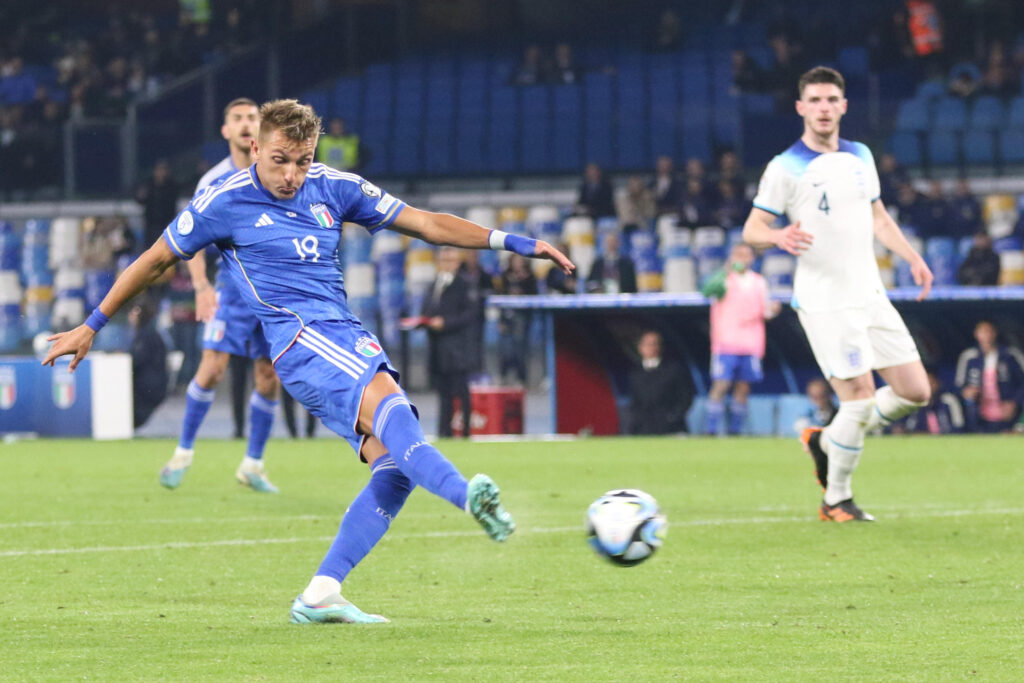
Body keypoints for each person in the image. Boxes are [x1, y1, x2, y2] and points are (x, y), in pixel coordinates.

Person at [44, 99, 573, 624]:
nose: (293, 174)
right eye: (280, 160)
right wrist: (92, 324)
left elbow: (426, 223)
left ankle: (321, 592)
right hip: (301, 339)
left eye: (302, 160)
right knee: (397, 411)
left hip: (342, 333)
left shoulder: (335, 185)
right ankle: (467, 495)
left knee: (393, 466)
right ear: (255, 148)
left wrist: (514, 242)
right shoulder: (222, 201)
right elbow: (156, 258)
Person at [742, 66, 934, 523]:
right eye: (816, 100)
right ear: (801, 108)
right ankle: (836, 499)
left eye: (832, 100)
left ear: (844, 106)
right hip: (825, 299)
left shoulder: (861, 155)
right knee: (859, 399)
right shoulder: (784, 167)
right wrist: (779, 236)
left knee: (915, 391)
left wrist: (913, 258)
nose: (824, 108)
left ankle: (826, 439)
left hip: (870, 293)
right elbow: (752, 229)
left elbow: (880, 218)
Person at [158, 97, 283, 493]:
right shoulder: (213, 181)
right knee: (212, 369)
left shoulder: (281, 172)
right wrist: (201, 286)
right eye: (238, 119)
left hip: (274, 292)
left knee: (268, 376)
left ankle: (253, 464)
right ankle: (182, 453)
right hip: (231, 290)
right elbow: (189, 241)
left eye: (252, 118)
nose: (246, 124)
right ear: (225, 131)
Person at [700, 243, 780, 435]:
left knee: (743, 387)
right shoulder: (725, 279)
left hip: (751, 344)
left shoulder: (758, 282)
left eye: (745, 255)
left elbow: (765, 309)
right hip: (726, 342)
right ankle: (711, 430)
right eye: (738, 255)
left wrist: (773, 310)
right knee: (721, 384)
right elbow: (707, 291)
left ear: (752, 258)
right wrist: (725, 270)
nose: (741, 259)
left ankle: (735, 431)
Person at [421, 247, 477, 438]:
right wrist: (424, 321)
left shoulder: (465, 284)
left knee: (462, 391)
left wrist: (445, 323)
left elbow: (469, 315)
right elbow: (427, 308)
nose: (446, 264)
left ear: (457, 263)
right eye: (443, 260)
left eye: (450, 260)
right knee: (443, 393)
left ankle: (466, 431)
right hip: (438, 347)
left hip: (457, 348)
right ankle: (445, 432)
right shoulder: (433, 285)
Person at [955, 321, 1024, 433]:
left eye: (989, 331)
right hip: (979, 414)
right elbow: (958, 385)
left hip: (1008, 414)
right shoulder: (969, 357)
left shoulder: (1010, 355)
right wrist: (967, 392)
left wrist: (1014, 402)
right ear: (976, 334)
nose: (986, 335)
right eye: (982, 332)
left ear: (994, 333)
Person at [628, 330, 691, 434]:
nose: (651, 348)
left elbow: (685, 396)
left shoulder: (674, 369)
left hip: (671, 428)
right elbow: (635, 402)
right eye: (647, 344)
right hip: (643, 429)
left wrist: (673, 416)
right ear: (640, 347)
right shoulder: (635, 373)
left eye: (655, 344)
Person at [497, 253, 539, 384]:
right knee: (506, 348)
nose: (517, 264)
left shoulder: (530, 277)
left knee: (520, 348)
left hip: (523, 317)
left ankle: (522, 378)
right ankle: (504, 376)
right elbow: (500, 297)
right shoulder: (505, 276)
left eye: (519, 261)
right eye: (515, 261)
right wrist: (501, 320)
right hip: (507, 316)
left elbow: (534, 296)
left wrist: (522, 292)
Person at [129, 298, 168, 429]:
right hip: (153, 383)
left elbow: (137, 360)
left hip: (147, 387)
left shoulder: (146, 336)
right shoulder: (150, 334)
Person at [899, 369, 964, 434]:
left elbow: (958, 425)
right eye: (925, 383)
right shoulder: (913, 402)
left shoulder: (949, 400)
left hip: (947, 439)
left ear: (938, 383)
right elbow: (907, 427)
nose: (929, 387)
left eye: (932, 383)